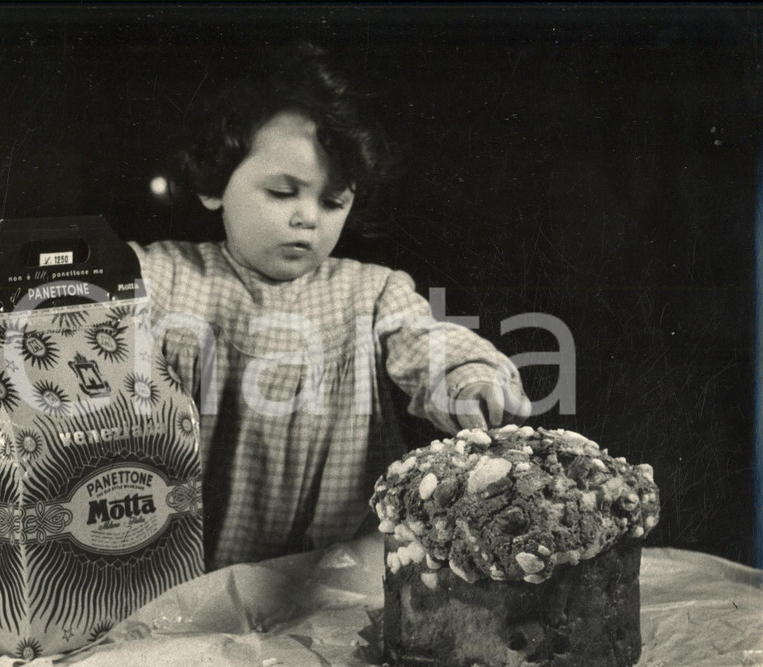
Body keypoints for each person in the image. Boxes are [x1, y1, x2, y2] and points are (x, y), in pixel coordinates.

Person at [128, 42, 530, 569]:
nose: (308, 218)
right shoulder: (163, 278)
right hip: (191, 583)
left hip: (334, 583)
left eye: (333, 201)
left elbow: (430, 343)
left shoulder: (371, 293)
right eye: (282, 192)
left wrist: (468, 378)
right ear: (212, 184)